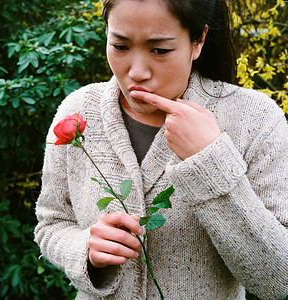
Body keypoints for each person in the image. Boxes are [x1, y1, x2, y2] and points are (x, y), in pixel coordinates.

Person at [34, 0, 288, 299]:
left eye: (160, 50)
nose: (137, 72)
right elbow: (51, 222)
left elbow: (278, 280)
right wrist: (84, 248)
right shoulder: (78, 110)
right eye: (120, 46)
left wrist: (208, 160)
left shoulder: (255, 119)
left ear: (199, 41)